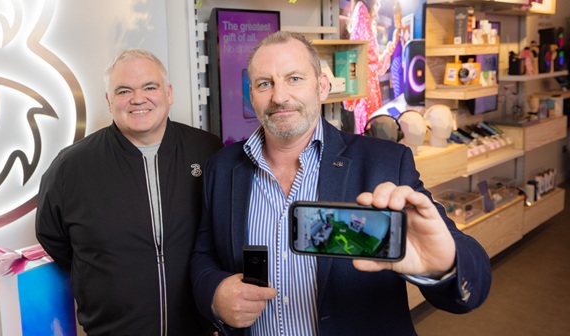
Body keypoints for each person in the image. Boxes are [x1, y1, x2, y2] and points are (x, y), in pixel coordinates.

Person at [190, 31, 491, 335]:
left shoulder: (384, 163)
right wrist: (215, 295)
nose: (279, 96)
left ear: (322, 87)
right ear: (251, 95)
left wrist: (442, 265)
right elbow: (204, 254)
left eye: (294, 79)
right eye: (265, 83)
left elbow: (470, 280)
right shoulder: (223, 167)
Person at [36, 49, 223, 336]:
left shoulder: (208, 151)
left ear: (169, 93)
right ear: (109, 101)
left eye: (150, 87)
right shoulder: (72, 166)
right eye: (124, 91)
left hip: (198, 328)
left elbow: (223, 232)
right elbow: (53, 237)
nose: (138, 99)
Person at [343, 0, 397, 134]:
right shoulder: (362, 10)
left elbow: (374, 65)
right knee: (369, 131)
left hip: (367, 87)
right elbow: (367, 58)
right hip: (366, 88)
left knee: (369, 130)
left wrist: (388, 52)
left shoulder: (361, 10)